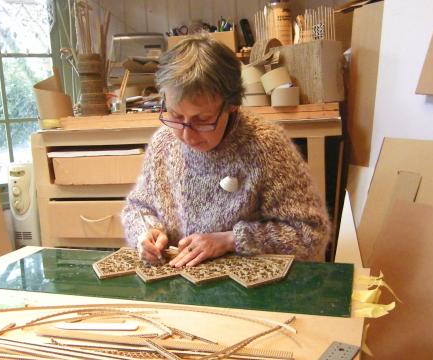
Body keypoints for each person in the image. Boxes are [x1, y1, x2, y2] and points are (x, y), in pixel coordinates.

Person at [121, 33, 331, 267]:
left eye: (203, 120)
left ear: (232, 105)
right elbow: (138, 207)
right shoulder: (164, 143)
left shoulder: (266, 147)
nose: (187, 135)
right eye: (175, 116)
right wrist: (146, 232)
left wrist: (232, 240)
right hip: (178, 279)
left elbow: (311, 234)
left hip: (245, 289)